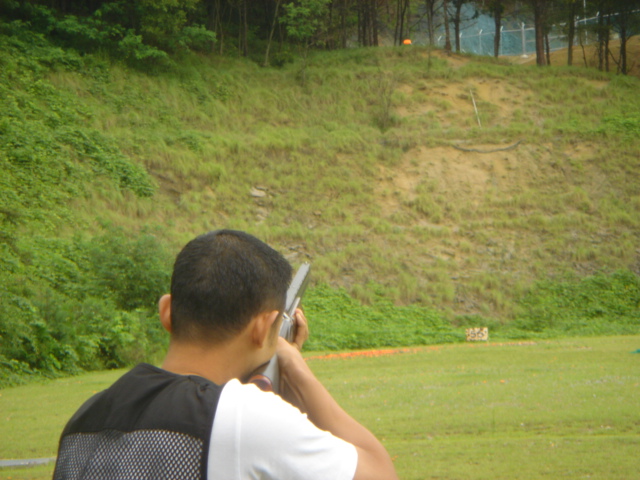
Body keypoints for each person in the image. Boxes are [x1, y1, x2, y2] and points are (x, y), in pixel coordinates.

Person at [53, 229, 399, 480]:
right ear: (263, 328)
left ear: (167, 312)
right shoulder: (244, 417)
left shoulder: (85, 418)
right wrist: (295, 367)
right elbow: (380, 473)